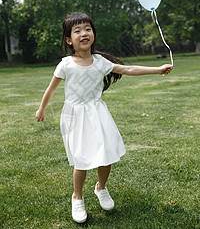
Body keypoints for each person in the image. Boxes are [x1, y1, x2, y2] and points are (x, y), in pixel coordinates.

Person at [36, 12, 172, 223]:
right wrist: (41, 109)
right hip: (75, 115)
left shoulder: (100, 62)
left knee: (106, 154)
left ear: (93, 34)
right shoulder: (66, 64)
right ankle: (77, 197)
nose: (84, 33)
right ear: (68, 39)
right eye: (77, 30)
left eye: (88, 29)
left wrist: (158, 69)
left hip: (97, 113)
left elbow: (128, 68)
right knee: (81, 159)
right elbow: (51, 89)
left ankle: (101, 187)